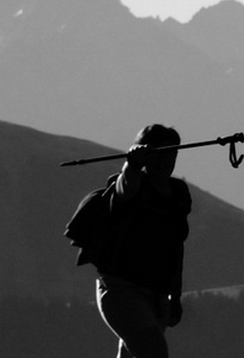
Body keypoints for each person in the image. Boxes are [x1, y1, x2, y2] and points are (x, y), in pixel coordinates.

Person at [72, 124, 190, 358]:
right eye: (157, 154)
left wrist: (174, 296)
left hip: (155, 296)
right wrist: (132, 164)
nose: (164, 160)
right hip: (121, 292)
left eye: (170, 153)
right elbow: (126, 187)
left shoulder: (178, 194)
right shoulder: (132, 185)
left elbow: (176, 247)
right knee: (153, 352)